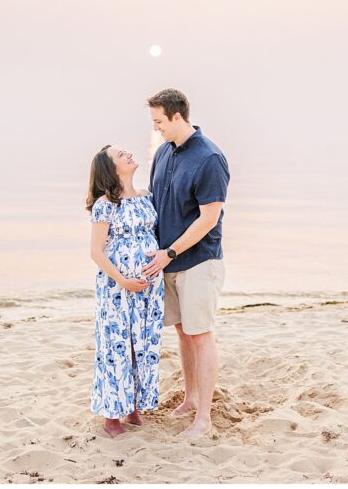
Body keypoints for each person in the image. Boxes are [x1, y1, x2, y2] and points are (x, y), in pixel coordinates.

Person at [141, 88, 230, 439]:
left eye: (159, 121)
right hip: (168, 262)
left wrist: (171, 252)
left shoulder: (209, 158)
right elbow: (154, 203)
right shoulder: (163, 152)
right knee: (182, 331)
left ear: (177, 116)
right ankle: (191, 397)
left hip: (197, 262)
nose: (156, 128)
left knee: (201, 335)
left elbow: (208, 218)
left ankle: (204, 418)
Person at [87, 144, 165, 438]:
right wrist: (123, 280)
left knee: (142, 344)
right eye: (122, 155)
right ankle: (111, 417)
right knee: (117, 344)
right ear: (112, 169)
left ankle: (132, 406)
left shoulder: (147, 198)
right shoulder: (105, 204)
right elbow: (96, 252)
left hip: (148, 290)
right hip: (117, 288)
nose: (129, 155)